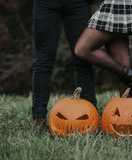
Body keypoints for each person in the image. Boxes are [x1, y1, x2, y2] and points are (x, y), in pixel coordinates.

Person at [32, 0, 97, 130]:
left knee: (83, 59)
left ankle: (92, 116)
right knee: (44, 61)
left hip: (78, 3)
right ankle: (38, 119)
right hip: (45, 4)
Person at [75, 0, 132, 102]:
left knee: (82, 49)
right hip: (122, 3)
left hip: (117, 4)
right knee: (121, 57)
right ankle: (127, 110)